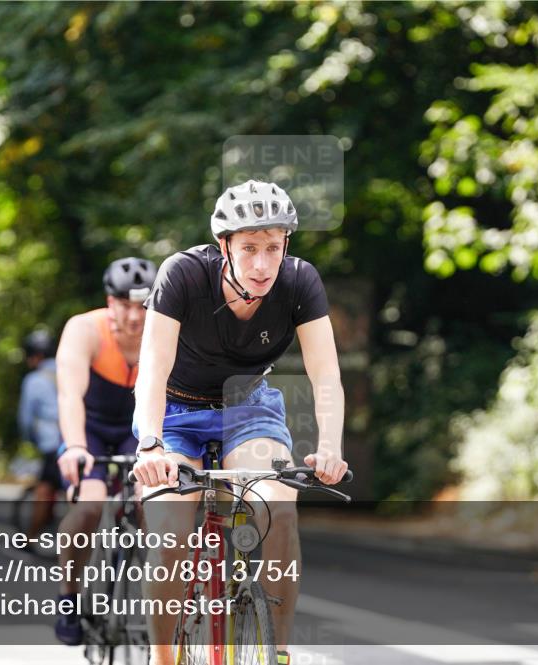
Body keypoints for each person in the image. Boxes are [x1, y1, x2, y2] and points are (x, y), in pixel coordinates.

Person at [131, 180, 349, 665]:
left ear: (286, 243)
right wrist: (150, 445)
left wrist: (330, 446)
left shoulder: (300, 282)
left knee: (280, 509)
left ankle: (278, 651)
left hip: (248, 410)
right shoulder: (183, 275)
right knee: (170, 536)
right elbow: (153, 369)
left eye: (273, 247)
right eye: (249, 248)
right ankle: (162, 659)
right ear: (224, 244)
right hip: (175, 413)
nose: (262, 264)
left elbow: (325, 374)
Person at [53, 256, 157, 646]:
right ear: (110, 302)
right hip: (90, 431)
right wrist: (76, 447)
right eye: (125, 305)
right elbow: (69, 395)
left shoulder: (163, 331)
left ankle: (162, 602)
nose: (134, 316)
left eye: (143, 306)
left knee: (154, 504)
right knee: (89, 506)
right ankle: (69, 597)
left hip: (137, 430)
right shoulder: (85, 329)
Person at [17, 329, 62, 541]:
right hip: (81, 438)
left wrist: (31, 439)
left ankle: (32, 537)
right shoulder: (72, 370)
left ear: (35, 356)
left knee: (45, 487)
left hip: (52, 443)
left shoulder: (34, 380)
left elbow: (26, 419)